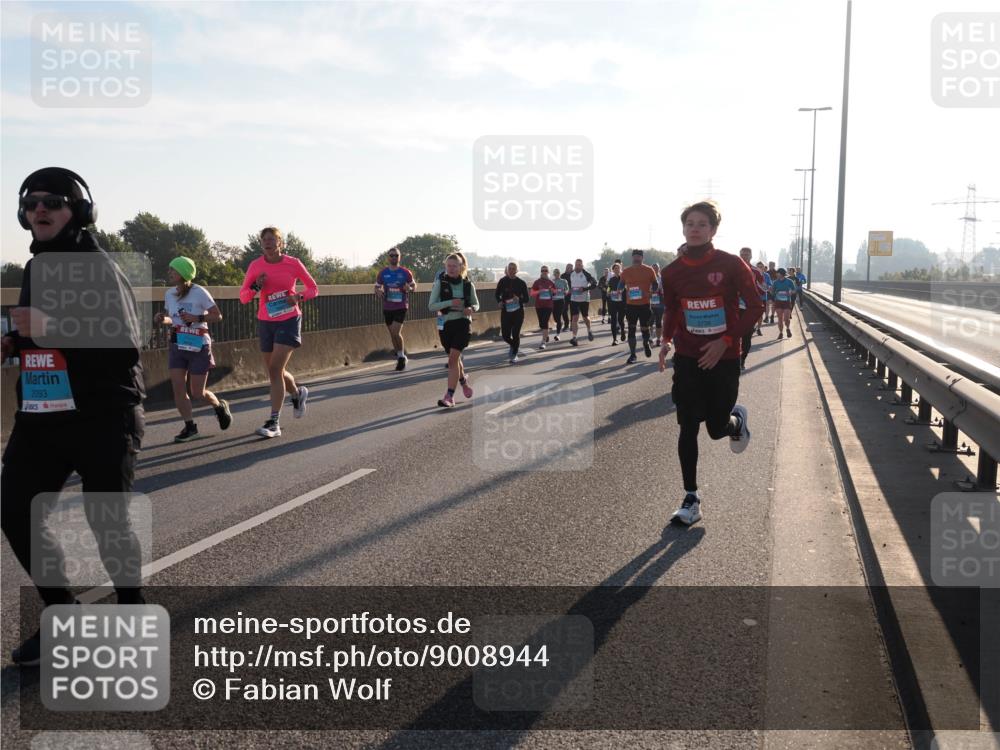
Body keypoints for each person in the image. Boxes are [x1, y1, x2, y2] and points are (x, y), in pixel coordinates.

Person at [2, 167, 147, 665]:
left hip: (104, 412)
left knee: (105, 520)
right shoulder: (36, 268)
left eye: (53, 201)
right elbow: (35, 336)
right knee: (15, 509)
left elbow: (126, 346)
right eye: (31, 203)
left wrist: (53, 326)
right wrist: (12, 341)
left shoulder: (99, 265)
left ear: (77, 211)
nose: (39, 209)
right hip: (43, 413)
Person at [658, 201, 763, 526]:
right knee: (687, 426)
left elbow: (755, 307)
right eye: (690, 222)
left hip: (724, 357)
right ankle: (691, 498)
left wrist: (726, 340)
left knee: (716, 429)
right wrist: (665, 341)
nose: (695, 228)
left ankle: (735, 423)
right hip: (688, 356)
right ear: (683, 228)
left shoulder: (730, 264)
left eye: (702, 223)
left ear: (713, 229)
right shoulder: (672, 271)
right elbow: (673, 310)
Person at [239, 226, 318, 438]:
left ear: (280, 243)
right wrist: (256, 286)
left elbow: (313, 288)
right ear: (261, 244)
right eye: (264, 240)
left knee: (274, 369)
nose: (268, 243)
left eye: (272, 239)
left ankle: (274, 421)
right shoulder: (256, 266)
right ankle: (297, 393)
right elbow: (244, 297)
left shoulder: (293, 263)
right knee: (277, 371)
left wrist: (299, 297)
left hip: (289, 319)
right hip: (266, 321)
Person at [154, 256, 232, 442]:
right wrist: (161, 319)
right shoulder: (169, 294)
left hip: (198, 344)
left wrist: (197, 318)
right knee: (178, 389)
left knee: (197, 392)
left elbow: (217, 316)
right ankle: (190, 427)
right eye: (170, 269)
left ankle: (219, 406)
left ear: (183, 273)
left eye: (174, 270)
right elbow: (173, 319)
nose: (170, 273)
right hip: (177, 343)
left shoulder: (199, 292)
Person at [429, 254, 479, 407]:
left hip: (463, 325)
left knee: (452, 360)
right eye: (448, 266)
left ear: (461, 267)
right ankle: (463, 382)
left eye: (454, 266)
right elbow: (431, 306)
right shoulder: (440, 283)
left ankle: (449, 396)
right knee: (454, 359)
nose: (451, 269)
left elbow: (476, 305)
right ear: (445, 267)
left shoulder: (468, 285)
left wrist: (470, 309)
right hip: (445, 325)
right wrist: (451, 302)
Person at [374, 246, 416, 371]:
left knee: (396, 332)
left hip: (401, 305)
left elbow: (414, 285)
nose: (394, 257)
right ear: (388, 257)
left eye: (396, 255)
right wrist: (378, 291)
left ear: (399, 257)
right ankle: (399, 356)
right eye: (391, 255)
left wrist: (410, 288)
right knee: (392, 334)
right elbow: (377, 287)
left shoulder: (405, 272)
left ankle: (402, 357)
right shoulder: (383, 273)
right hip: (388, 306)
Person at [620, 249, 658, 363]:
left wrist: (652, 292)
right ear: (632, 258)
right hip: (631, 305)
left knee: (644, 329)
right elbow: (621, 283)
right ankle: (633, 355)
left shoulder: (649, 270)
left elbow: (655, 283)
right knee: (631, 329)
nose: (636, 258)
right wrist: (618, 289)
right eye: (634, 257)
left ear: (642, 258)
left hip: (644, 304)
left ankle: (646, 343)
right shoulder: (626, 271)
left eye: (638, 257)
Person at [737, 248, 767, 370]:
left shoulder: (756, 271)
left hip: (749, 308)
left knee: (746, 336)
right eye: (742, 254)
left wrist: (753, 289)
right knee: (732, 335)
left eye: (747, 254)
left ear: (751, 256)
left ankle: (742, 360)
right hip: (733, 306)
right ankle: (733, 360)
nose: (744, 256)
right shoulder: (731, 269)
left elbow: (763, 288)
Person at [495, 262, 530, 364]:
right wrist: (499, 301)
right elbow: (497, 294)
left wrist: (519, 299)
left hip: (518, 312)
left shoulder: (521, 283)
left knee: (515, 334)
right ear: (507, 269)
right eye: (509, 268)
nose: (511, 270)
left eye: (513, 268)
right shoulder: (502, 281)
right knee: (505, 335)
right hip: (506, 312)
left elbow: (527, 299)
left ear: (516, 270)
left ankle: (514, 354)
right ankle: (514, 345)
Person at [567, 259, 598, 346]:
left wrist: (584, 289)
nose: (578, 266)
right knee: (574, 318)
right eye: (576, 265)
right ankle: (574, 338)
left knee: (585, 317)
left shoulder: (586, 274)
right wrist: (569, 289)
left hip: (584, 299)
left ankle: (589, 330)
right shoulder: (571, 274)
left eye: (579, 265)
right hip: (574, 299)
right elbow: (568, 284)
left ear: (582, 266)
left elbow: (594, 284)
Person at [530, 266, 557, 350]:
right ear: (541, 272)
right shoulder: (537, 282)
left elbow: (555, 292)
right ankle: (546, 335)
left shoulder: (551, 282)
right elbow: (532, 293)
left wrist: (552, 291)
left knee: (545, 322)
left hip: (548, 305)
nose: (544, 272)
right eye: (543, 270)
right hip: (539, 306)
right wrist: (539, 291)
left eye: (546, 270)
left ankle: (543, 342)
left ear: (548, 272)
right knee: (541, 324)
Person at [771, 268, 796, 338]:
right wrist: (770, 290)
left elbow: (794, 291)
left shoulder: (789, 281)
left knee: (786, 319)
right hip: (778, 302)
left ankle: (788, 329)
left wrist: (790, 292)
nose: (776, 274)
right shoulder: (775, 282)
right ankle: (781, 333)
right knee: (780, 318)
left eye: (777, 273)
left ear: (781, 273)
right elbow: (772, 293)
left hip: (787, 302)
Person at [606, 262, 627, 345]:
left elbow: (627, 287)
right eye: (615, 269)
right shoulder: (611, 280)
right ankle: (614, 339)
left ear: (620, 269)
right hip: (613, 302)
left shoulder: (624, 278)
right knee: (613, 320)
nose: (616, 270)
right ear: (613, 270)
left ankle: (622, 330)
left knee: (621, 320)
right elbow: (609, 288)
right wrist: (608, 292)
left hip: (622, 302)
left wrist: (622, 290)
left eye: (618, 268)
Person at [551, 268, 569, 340]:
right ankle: (560, 323)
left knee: (558, 317)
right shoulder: (551, 282)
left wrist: (565, 292)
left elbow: (567, 289)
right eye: (555, 273)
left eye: (557, 273)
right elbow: (550, 291)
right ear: (554, 274)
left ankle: (557, 334)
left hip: (561, 301)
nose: (556, 274)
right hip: (553, 301)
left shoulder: (563, 281)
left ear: (559, 273)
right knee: (555, 318)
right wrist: (551, 291)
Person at [650, 262, 664, 347]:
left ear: (659, 269)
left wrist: (660, 290)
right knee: (650, 322)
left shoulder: (662, 279)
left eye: (656, 268)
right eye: (653, 268)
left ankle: (658, 339)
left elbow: (665, 290)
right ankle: (650, 338)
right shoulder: (648, 278)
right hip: (650, 302)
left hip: (660, 302)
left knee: (658, 322)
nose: (655, 270)